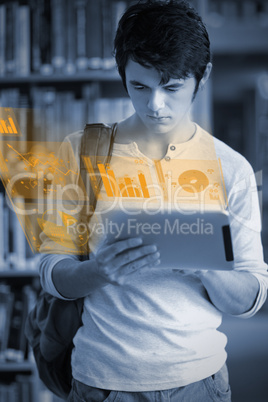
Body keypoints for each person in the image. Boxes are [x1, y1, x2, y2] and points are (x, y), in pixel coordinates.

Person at [39, 1, 268, 401]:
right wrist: (99, 271)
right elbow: (52, 271)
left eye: (173, 87)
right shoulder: (81, 154)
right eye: (139, 87)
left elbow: (252, 296)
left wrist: (206, 267)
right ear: (122, 75)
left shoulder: (231, 168)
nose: (155, 105)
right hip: (102, 381)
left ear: (203, 77)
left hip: (201, 383)